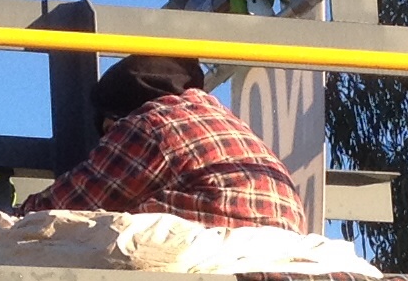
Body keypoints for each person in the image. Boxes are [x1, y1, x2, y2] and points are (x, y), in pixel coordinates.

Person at [33, 54, 309, 229]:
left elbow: (59, 209)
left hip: (214, 237)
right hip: (285, 239)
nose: (107, 141)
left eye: (108, 133)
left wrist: (7, 218)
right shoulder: (222, 119)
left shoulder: (147, 123)